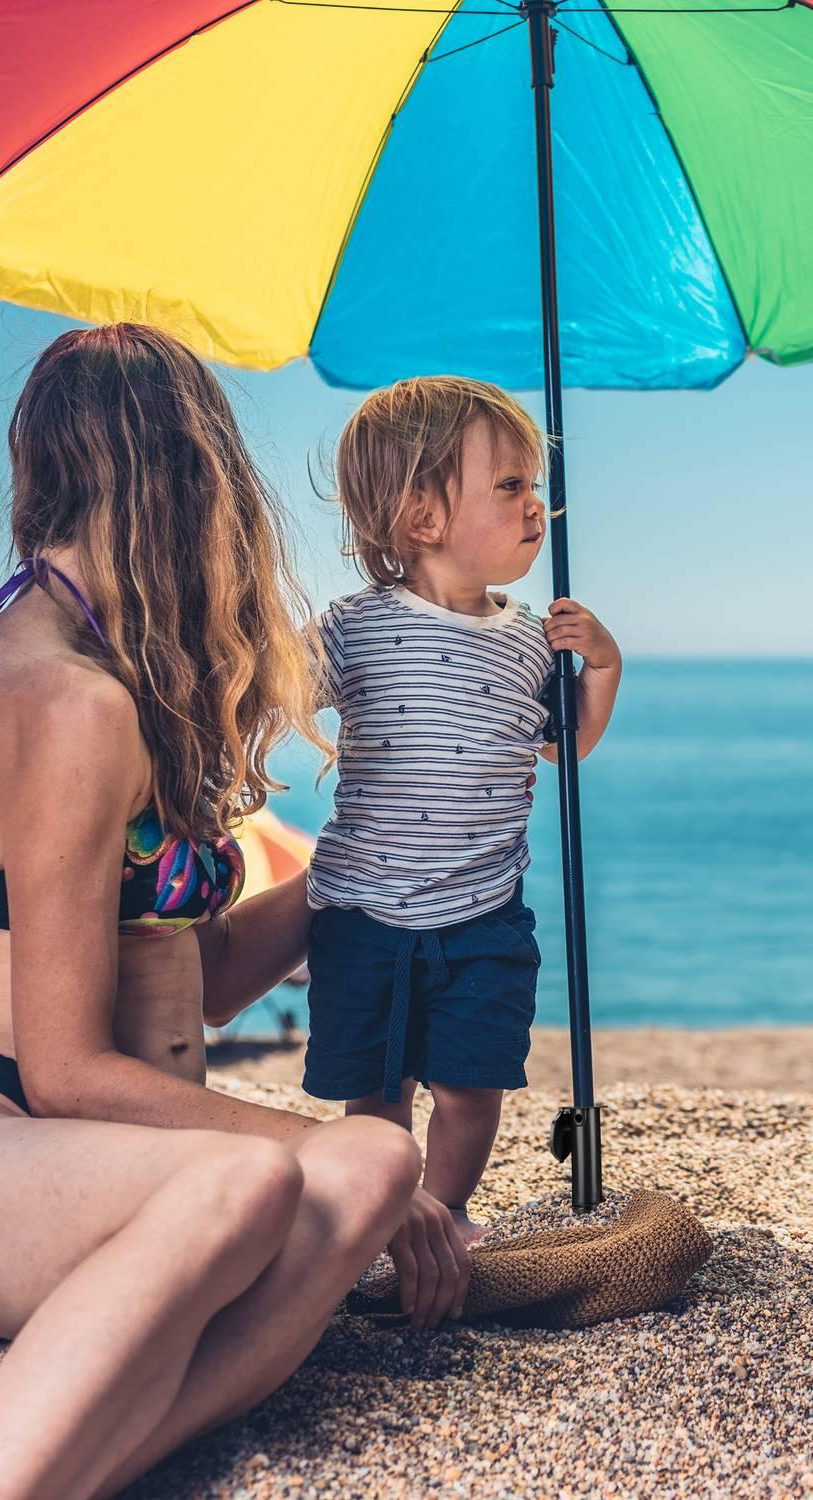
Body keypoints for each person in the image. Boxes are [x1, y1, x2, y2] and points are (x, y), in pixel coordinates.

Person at [0, 325, 468, 1500]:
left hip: (117, 1172)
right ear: (184, 478)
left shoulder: (104, 674)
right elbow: (66, 1072)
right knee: (259, 1179)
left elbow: (180, 982)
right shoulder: (63, 699)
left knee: (370, 1158)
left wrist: (369, 868)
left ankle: (86, 1467)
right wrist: (299, 1153)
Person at [302, 376, 621, 1246]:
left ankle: (442, 1213)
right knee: (374, 1090)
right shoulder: (354, 627)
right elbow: (265, 691)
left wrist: (602, 667)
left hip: (484, 912)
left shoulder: (532, 636)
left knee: (473, 1086)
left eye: (535, 486)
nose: (536, 507)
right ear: (422, 519)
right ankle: (380, 1215)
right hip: (364, 910)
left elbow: (567, 747)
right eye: (510, 485)